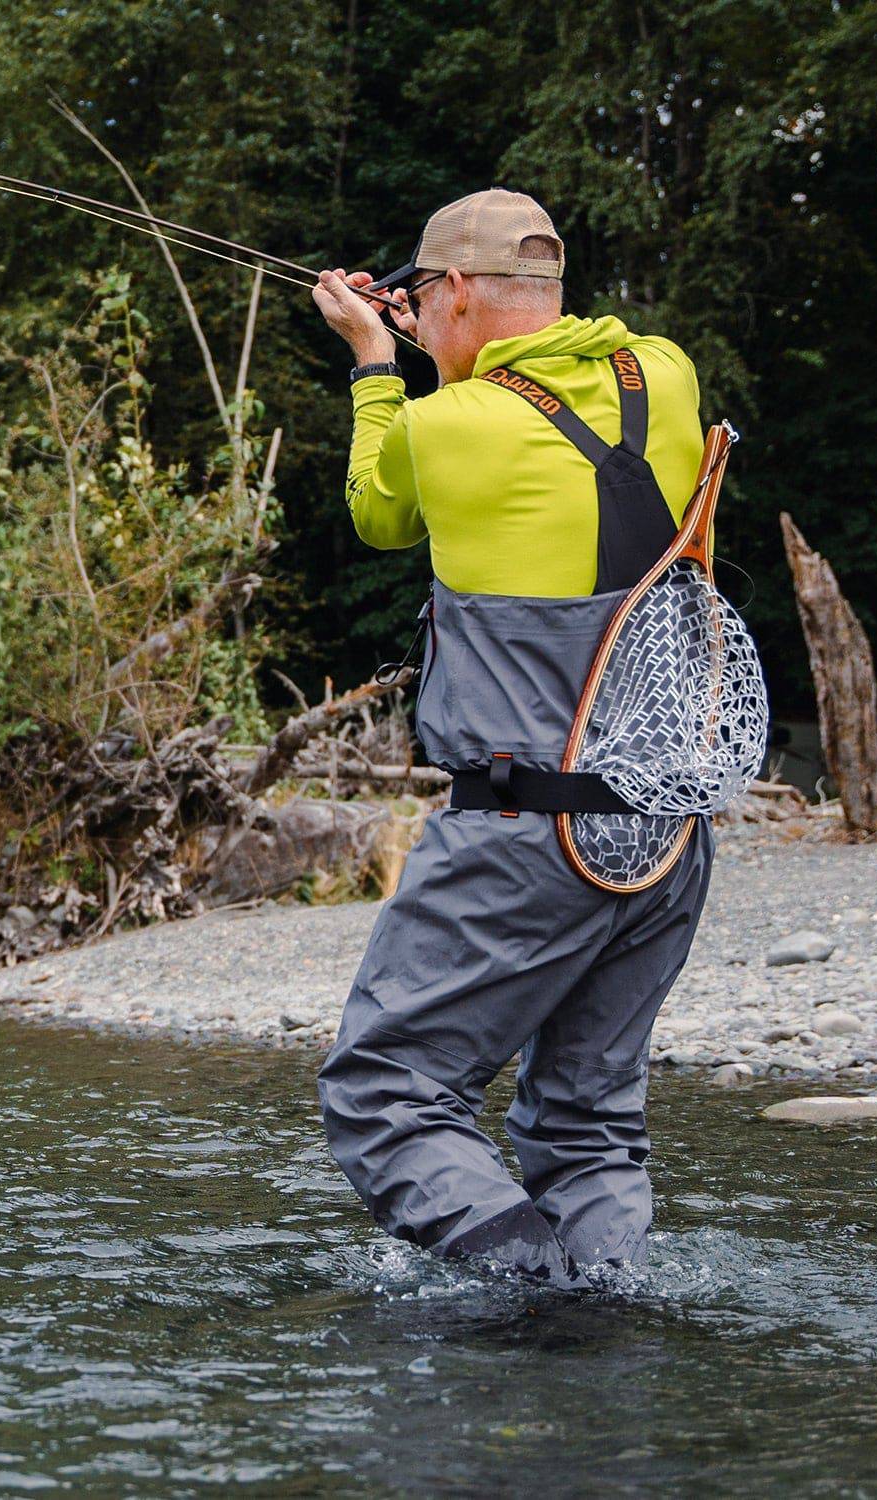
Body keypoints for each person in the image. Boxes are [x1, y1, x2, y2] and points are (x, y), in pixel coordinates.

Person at [311, 189, 711, 1290]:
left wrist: (377, 361)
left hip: (524, 831)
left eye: (428, 297)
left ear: (458, 293)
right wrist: (447, 341)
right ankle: (600, 1318)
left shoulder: (446, 423)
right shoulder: (666, 374)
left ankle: (532, 1296)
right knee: (586, 1122)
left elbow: (379, 512)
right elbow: (549, 396)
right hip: (667, 833)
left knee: (383, 1094)